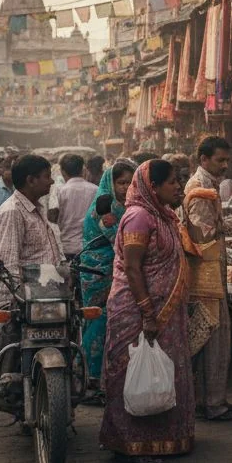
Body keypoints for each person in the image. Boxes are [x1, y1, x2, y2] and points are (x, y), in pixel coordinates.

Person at [99, 160, 194, 463]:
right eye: (172, 183)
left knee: (163, 371)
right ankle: (132, 443)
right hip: (139, 310)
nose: (178, 187)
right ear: (152, 188)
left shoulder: (163, 215)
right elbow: (131, 267)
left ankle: (165, 437)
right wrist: (147, 313)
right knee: (134, 373)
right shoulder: (139, 217)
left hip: (164, 309)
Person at [182, 137, 232, 422]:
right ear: (203, 160)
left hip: (210, 270)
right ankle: (213, 403)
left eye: (226, 160)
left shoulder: (206, 186)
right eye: (220, 160)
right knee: (214, 335)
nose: (225, 165)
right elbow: (204, 235)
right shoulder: (200, 189)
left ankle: (210, 399)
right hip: (206, 273)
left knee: (212, 335)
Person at [79, 160, 135, 401]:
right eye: (121, 182)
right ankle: (91, 379)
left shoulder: (124, 204)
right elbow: (116, 239)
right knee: (98, 320)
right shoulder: (105, 204)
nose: (125, 187)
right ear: (110, 182)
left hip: (115, 267)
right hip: (98, 270)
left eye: (129, 183)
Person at [0, 155, 63, 311]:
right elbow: (8, 264)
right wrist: (12, 305)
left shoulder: (37, 207)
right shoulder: (12, 211)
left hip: (43, 295)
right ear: (30, 180)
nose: (51, 181)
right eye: (47, 177)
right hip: (23, 302)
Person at [49, 153, 98, 261]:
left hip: (68, 247)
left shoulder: (59, 191)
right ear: (82, 169)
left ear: (62, 171)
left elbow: (52, 217)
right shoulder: (95, 190)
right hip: (91, 246)